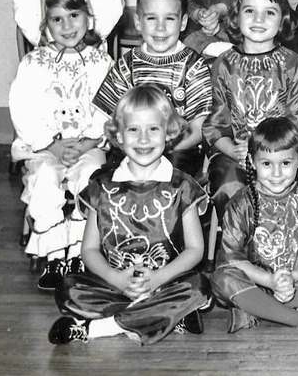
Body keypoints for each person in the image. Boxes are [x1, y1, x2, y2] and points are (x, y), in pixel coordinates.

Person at [49, 87, 211, 346]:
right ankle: (163, 316)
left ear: (168, 132)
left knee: (197, 286)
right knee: (68, 288)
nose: (143, 139)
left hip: (165, 281)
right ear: (118, 135)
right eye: (133, 129)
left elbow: (195, 250)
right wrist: (117, 279)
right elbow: (89, 250)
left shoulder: (182, 185)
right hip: (116, 284)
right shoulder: (102, 186)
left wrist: (158, 278)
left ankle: (97, 328)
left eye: (153, 129)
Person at [9, 0, 112, 291]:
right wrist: (50, 143)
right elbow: (22, 109)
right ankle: (53, 253)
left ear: (88, 19)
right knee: (44, 178)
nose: (67, 26)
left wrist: (89, 141)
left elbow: (109, 107)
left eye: (74, 15)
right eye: (57, 19)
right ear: (46, 26)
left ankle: (81, 251)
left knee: (90, 178)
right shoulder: (33, 63)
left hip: (88, 145)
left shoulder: (100, 62)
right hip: (45, 147)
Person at [211, 117, 298, 333]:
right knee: (221, 278)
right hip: (253, 284)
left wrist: (293, 277)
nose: (276, 173)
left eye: (285, 163)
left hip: (297, 282)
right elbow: (233, 258)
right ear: (252, 162)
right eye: (266, 164)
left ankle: (256, 313)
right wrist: (269, 280)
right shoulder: (240, 202)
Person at [204, 0, 298, 218]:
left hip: (279, 154)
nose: (258, 20)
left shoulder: (291, 64)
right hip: (234, 153)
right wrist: (233, 150)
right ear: (235, 17)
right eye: (249, 11)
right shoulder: (224, 64)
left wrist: (267, 154)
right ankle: (237, 247)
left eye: (269, 12)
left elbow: (296, 120)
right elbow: (214, 125)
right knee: (229, 185)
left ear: (283, 20)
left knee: (286, 186)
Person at [92, 0, 212, 179]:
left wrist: (162, 149)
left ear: (183, 22)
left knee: (171, 180)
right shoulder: (126, 65)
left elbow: (198, 127)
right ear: (138, 22)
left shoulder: (194, 66)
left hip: (178, 150)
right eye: (151, 18)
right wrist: (131, 146)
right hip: (133, 148)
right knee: (103, 180)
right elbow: (107, 117)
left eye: (169, 18)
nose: (160, 27)